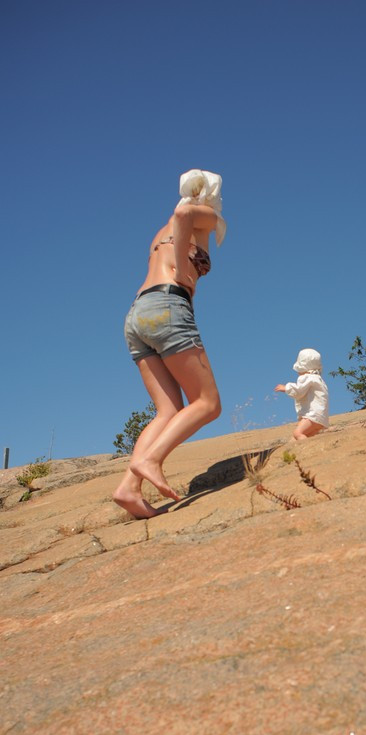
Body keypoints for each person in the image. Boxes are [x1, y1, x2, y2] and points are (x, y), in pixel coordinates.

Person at [113, 169, 227, 518]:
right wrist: (180, 269)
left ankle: (129, 488)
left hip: (138, 314)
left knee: (168, 411)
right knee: (208, 403)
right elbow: (184, 213)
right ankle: (151, 460)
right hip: (167, 306)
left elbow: (177, 218)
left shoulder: (160, 232)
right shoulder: (204, 215)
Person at [274, 349, 329, 440]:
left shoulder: (307, 377)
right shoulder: (319, 379)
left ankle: (309, 449)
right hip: (321, 418)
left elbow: (299, 391)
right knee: (304, 437)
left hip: (312, 416)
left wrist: (286, 388)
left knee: (297, 433)